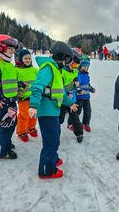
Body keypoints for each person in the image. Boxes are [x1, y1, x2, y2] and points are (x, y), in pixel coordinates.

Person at [28, 41, 78, 179]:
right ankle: (46, 170)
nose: (68, 62)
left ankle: (53, 159)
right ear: (60, 56)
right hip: (46, 111)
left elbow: (59, 92)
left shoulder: (56, 70)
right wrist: (33, 105)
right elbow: (37, 87)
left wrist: (70, 103)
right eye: (68, 59)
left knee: (55, 138)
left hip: (53, 110)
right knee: (50, 141)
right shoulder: (48, 68)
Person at [59, 49, 84, 143]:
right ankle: (55, 133)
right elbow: (59, 87)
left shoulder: (74, 71)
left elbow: (75, 78)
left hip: (72, 99)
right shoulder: (62, 72)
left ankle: (79, 132)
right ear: (69, 61)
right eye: (74, 65)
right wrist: (66, 94)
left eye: (77, 66)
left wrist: (76, 84)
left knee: (75, 116)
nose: (75, 67)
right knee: (60, 119)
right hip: (62, 99)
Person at [15, 49, 38, 142]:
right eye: (25, 58)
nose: (28, 60)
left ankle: (31, 127)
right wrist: (18, 86)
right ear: (21, 59)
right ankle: (21, 132)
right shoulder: (16, 70)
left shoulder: (35, 70)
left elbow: (38, 82)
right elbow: (12, 82)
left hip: (34, 97)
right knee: (24, 115)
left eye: (29, 58)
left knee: (34, 114)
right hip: (23, 97)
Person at [75, 56, 96, 132]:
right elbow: (75, 85)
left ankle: (86, 124)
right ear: (80, 66)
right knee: (77, 111)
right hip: (79, 98)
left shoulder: (86, 75)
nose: (85, 68)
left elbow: (87, 85)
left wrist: (91, 89)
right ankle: (72, 123)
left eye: (87, 66)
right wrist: (79, 90)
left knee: (88, 111)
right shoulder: (78, 75)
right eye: (84, 66)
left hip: (87, 97)